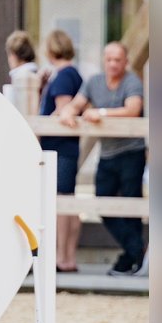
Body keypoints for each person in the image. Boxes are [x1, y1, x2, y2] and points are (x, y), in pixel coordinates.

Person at [58, 41, 146, 276]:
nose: (113, 64)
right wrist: (67, 113)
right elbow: (76, 104)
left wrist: (102, 113)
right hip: (107, 153)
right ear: (103, 61)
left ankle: (131, 258)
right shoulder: (94, 82)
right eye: (109, 59)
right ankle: (137, 251)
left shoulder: (132, 82)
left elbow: (133, 109)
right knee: (102, 203)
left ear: (125, 62)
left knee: (131, 205)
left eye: (118, 60)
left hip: (131, 152)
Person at [38, 29, 85, 272]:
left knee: (62, 201)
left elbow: (62, 111)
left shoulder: (65, 76)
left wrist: (41, 126)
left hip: (60, 147)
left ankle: (63, 256)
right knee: (67, 200)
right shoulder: (66, 74)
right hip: (63, 148)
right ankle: (66, 255)